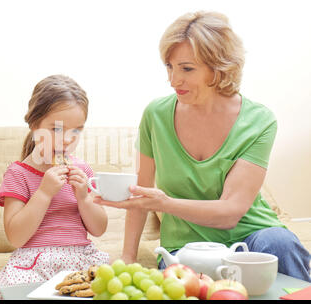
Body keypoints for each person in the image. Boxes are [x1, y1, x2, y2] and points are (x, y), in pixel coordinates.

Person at [94, 11, 311, 282]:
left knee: (280, 244)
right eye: (169, 67)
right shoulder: (156, 115)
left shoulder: (259, 120)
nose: (174, 80)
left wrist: (166, 203)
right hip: (184, 247)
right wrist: (128, 256)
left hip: (252, 236)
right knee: (187, 275)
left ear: (219, 67)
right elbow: (141, 196)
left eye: (187, 69)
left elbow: (230, 212)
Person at [0, 75, 109, 299]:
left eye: (76, 131)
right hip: (34, 264)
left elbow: (99, 228)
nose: (67, 140)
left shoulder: (82, 170)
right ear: (34, 126)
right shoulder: (18, 174)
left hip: (81, 260)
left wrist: (84, 198)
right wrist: (43, 193)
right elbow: (16, 237)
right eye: (57, 130)